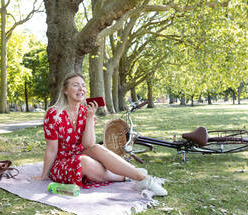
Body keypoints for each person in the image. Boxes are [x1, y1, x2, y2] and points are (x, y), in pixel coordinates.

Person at [33, 72, 167, 196]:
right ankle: (132, 176)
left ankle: (142, 178)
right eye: (75, 85)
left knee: (96, 148)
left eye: (83, 86)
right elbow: (51, 149)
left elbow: (89, 144)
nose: (81, 89)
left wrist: (90, 118)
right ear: (65, 90)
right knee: (84, 161)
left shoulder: (86, 111)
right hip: (62, 162)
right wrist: (44, 175)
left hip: (82, 154)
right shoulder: (54, 114)